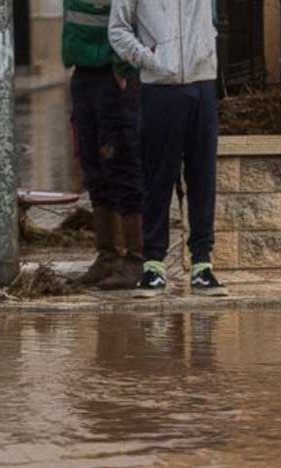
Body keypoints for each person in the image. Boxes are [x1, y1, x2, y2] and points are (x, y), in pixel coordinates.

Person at [108, 0, 226, 296]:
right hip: (159, 87)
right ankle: (153, 266)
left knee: (202, 176)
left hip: (202, 82)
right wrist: (148, 59)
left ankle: (202, 265)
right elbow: (118, 29)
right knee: (157, 177)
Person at [63, 0, 144, 290]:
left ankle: (136, 258)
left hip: (113, 75)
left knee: (121, 164)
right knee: (94, 169)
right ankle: (106, 256)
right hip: (84, 73)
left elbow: (133, 17)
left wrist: (123, 66)